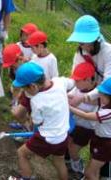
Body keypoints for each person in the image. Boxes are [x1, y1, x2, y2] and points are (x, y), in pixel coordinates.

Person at [9, 62, 75, 180]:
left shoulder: (37, 100)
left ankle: (26, 178)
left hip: (47, 138)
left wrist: (27, 119)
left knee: (21, 153)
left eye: (25, 89)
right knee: (59, 162)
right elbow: (72, 82)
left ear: (33, 86)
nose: (25, 92)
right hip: (63, 135)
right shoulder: (60, 82)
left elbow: (37, 122)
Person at [67, 14, 111, 179]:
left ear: (95, 40)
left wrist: (84, 98)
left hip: (106, 101)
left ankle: (103, 173)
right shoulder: (80, 52)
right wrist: (69, 94)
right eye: (79, 41)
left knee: (104, 140)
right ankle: (82, 168)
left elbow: (108, 84)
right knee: (86, 137)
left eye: (84, 41)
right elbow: (75, 78)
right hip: (90, 99)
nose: (81, 45)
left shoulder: (108, 52)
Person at [69, 77, 111, 180]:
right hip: (98, 138)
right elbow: (90, 99)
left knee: (89, 173)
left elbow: (86, 115)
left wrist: (69, 107)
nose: (99, 96)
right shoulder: (105, 104)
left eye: (102, 94)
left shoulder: (108, 113)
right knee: (94, 170)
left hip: (106, 144)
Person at [68, 62, 98, 174]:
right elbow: (70, 96)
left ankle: (78, 168)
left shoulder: (98, 94)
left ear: (88, 80)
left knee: (73, 149)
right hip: (75, 123)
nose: (75, 83)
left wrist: (72, 106)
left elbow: (93, 115)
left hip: (87, 128)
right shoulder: (77, 89)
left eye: (77, 80)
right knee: (69, 143)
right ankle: (74, 163)